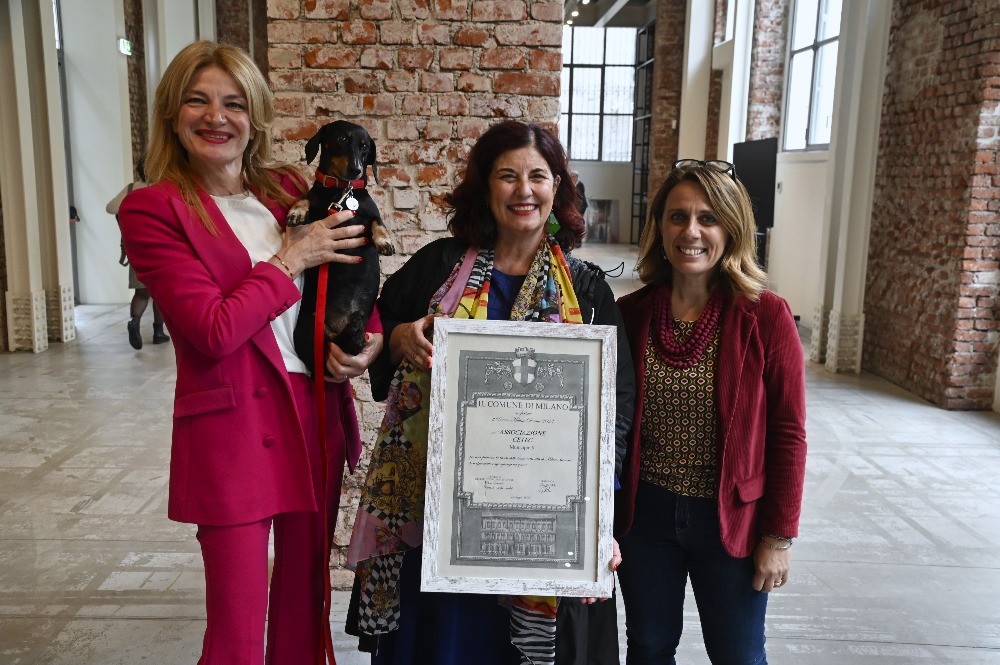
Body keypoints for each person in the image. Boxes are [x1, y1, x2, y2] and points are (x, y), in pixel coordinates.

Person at [117, 40, 383, 665]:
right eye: (198, 101)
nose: (216, 117)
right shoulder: (153, 209)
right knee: (236, 634)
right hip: (233, 429)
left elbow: (352, 268)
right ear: (172, 114)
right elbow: (212, 329)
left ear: (254, 114)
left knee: (304, 608)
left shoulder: (287, 188)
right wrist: (290, 258)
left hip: (314, 411)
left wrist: (366, 341)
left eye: (233, 103)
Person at [345, 120, 635, 665]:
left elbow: (615, 404)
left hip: (544, 519)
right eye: (507, 176)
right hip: (439, 517)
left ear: (557, 187)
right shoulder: (439, 265)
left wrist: (599, 509)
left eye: (538, 176)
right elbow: (377, 325)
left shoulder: (588, 288)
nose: (524, 190)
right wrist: (401, 337)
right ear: (485, 187)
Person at [613, 159, 807, 664]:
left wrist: (778, 537)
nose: (691, 232)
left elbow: (788, 434)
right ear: (660, 227)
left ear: (732, 229)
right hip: (645, 517)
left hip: (732, 520)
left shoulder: (767, 315)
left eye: (708, 218)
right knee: (649, 648)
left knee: (738, 654)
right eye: (678, 217)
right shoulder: (630, 314)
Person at [106, 160, 170, 349]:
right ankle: (158, 332)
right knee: (160, 294)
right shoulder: (163, 189)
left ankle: (134, 321)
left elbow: (110, 208)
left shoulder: (131, 189)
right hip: (162, 249)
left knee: (141, 292)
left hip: (137, 249)